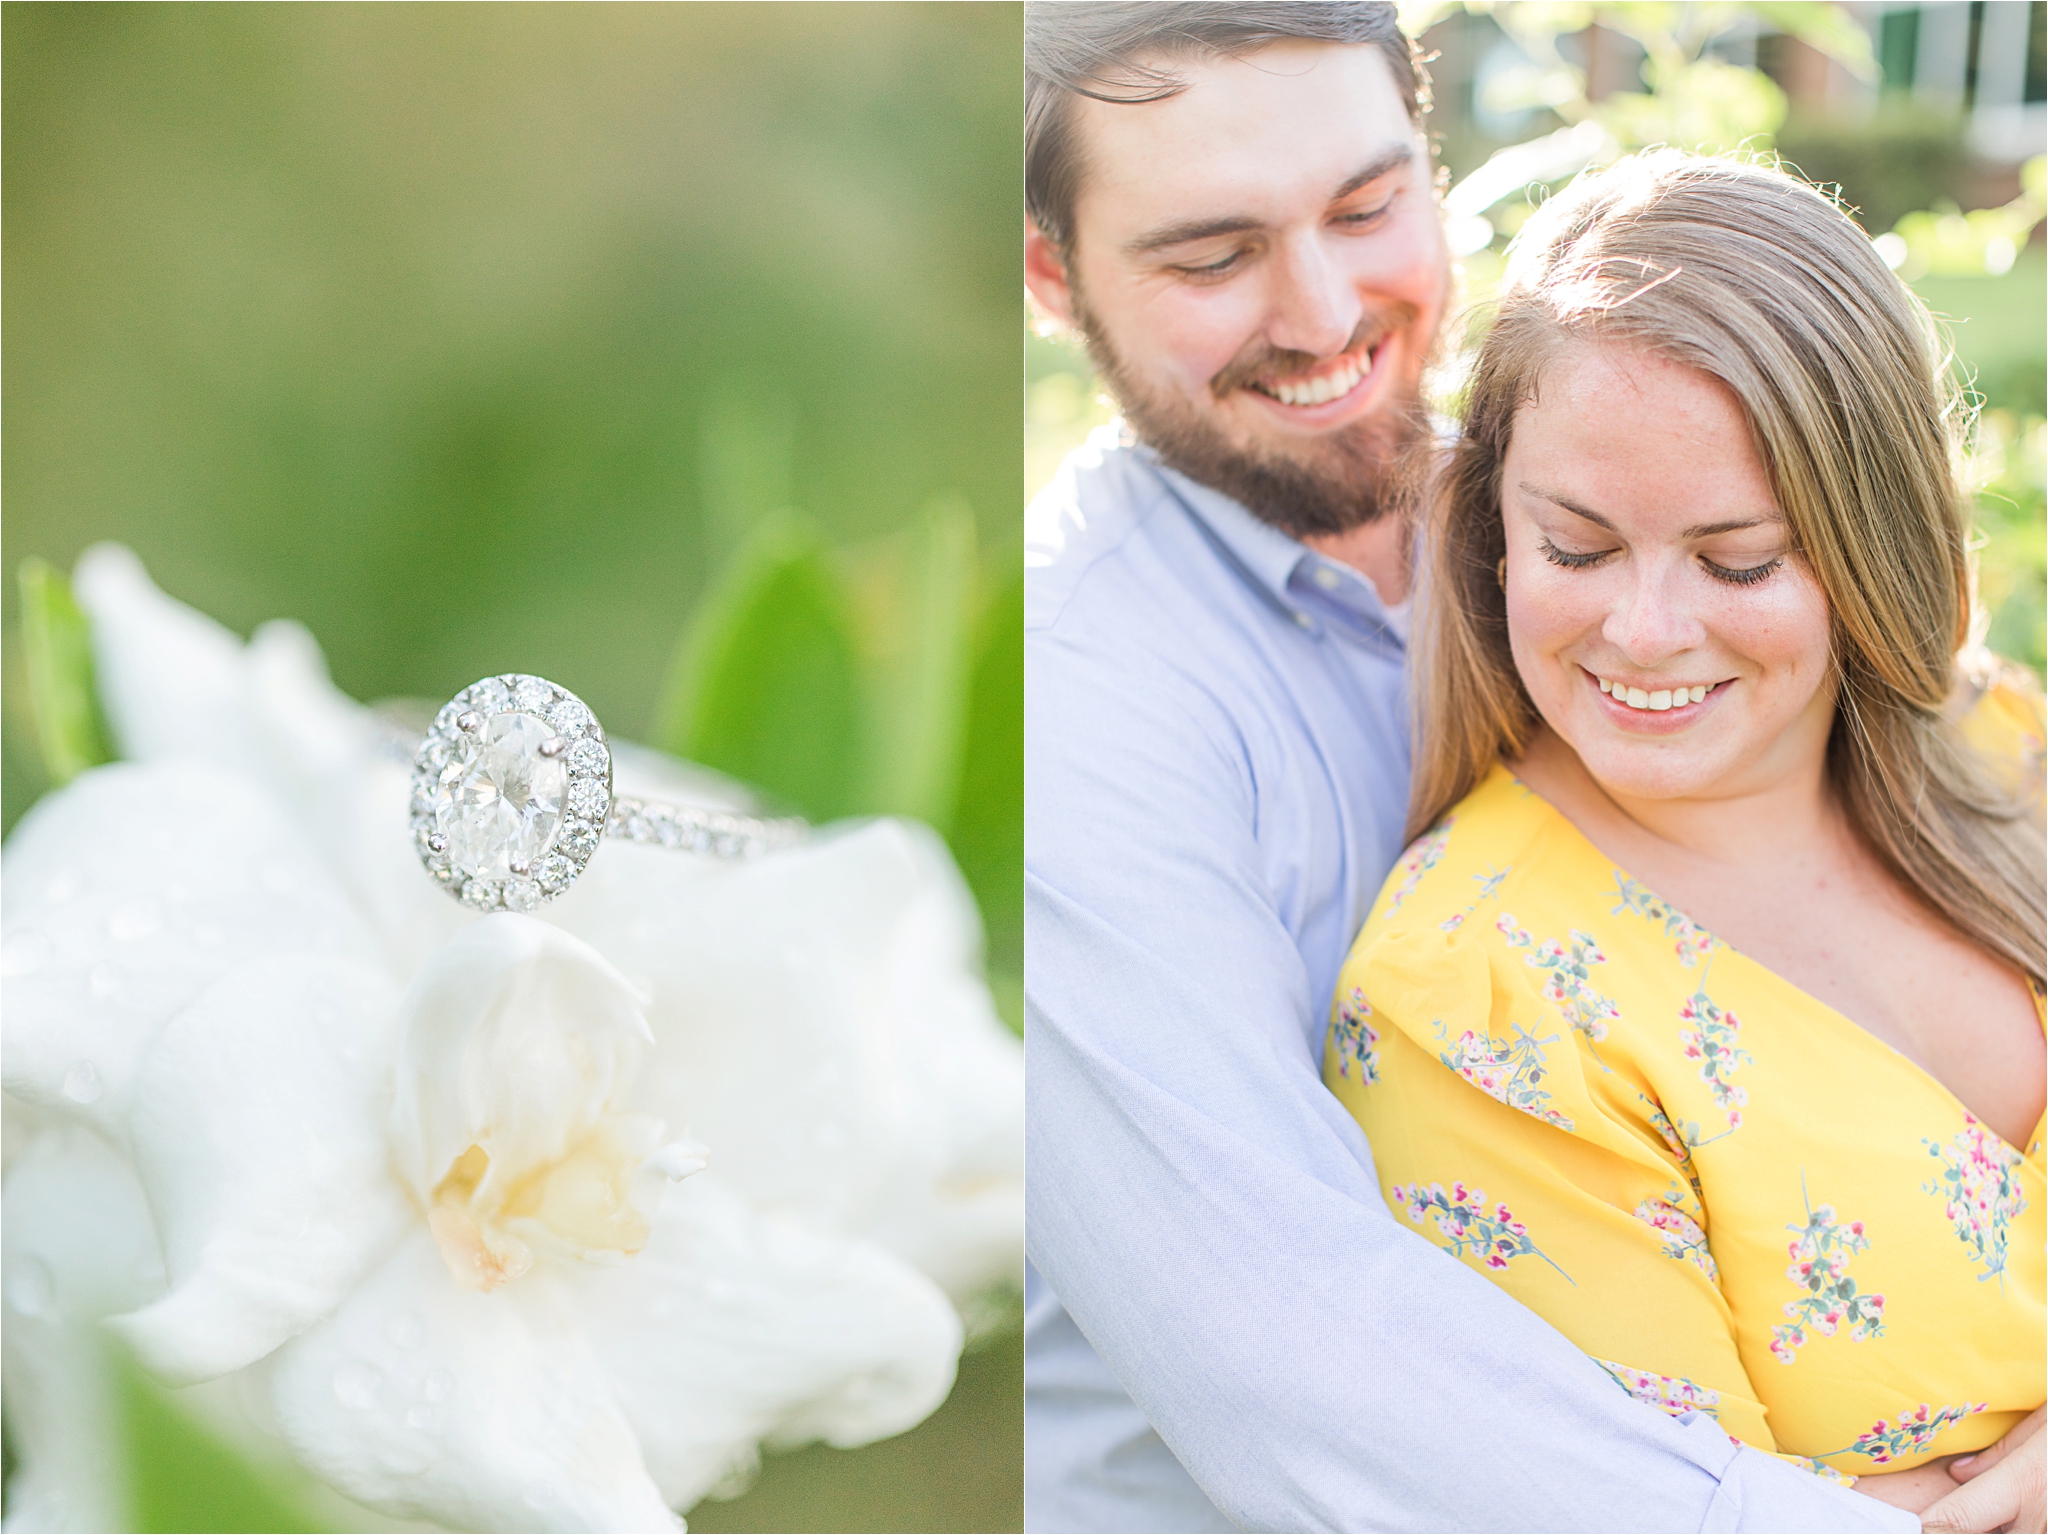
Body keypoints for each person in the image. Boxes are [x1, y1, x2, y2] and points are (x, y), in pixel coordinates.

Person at [1024, 2, 2035, 1529]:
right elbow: (1292, 1353)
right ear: (1052, 276)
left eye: (1367, 208)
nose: (1321, 314)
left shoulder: (1576, 467)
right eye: (1211, 257)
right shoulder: (1081, 720)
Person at [1323, 148, 2045, 1521]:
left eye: (1739, 561)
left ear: (1869, 540)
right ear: (1494, 534)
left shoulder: (1999, 744)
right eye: (1578, 548)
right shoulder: (1484, 1000)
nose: (1644, 632)